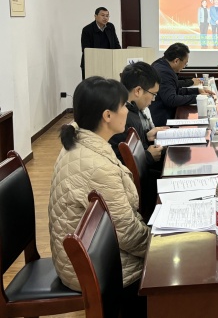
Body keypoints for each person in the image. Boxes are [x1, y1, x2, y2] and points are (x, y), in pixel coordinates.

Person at [48, 76, 149, 317]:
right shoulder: (96, 166)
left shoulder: (81, 141)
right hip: (93, 268)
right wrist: (160, 248)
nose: (127, 110)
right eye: (123, 106)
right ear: (107, 115)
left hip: (87, 256)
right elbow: (127, 233)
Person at [109, 62, 168, 214]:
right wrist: (148, 156)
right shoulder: (125, 117)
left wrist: (146, 138)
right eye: (153, 94)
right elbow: (122, 163)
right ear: (138, 91)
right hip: (137, 191)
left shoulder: (131, 111)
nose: (153, 100)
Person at [148, 42, 208, 126]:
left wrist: (197, 91)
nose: (184, 67)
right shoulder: (164, 72)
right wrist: (198, 98)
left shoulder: (161, 64)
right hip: (163, 121)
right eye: (185, 63)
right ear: (176, 61)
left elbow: (175, 90)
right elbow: (171, 99)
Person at [80, 6, 121, 79]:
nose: (105, 18)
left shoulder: (110, 27)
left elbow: (116, 44)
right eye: (102, 15)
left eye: (107, 16)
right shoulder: (87, 29)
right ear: (95, 16)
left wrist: (119, 55)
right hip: (92, 64)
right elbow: (86, 49)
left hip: (108, 63)